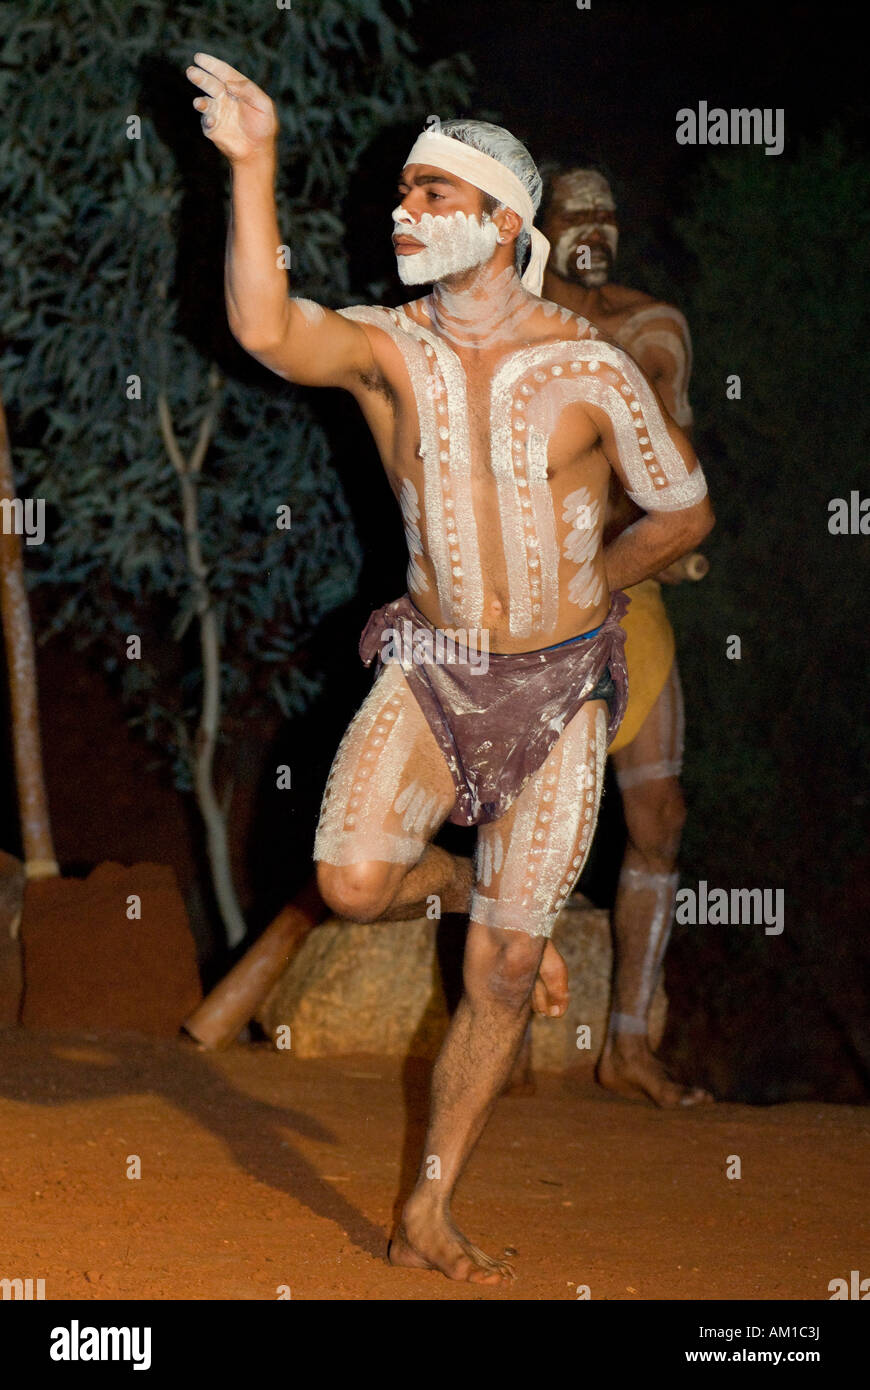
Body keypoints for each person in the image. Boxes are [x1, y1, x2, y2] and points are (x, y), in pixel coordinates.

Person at [186, 54, 714, 1284]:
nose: (404, 212)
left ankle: (427, 1207)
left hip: (561, 689)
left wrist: (599, 584)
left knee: (507, 970)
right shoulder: (387, 351)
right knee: (353, 880)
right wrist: (254, 164)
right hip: (430, 670)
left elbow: (684, 509)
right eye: (403, 196)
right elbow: (264, 326)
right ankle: (477, 893)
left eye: (432, 195)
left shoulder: (591, 368)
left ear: (501, 222)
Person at [538, 166, 712, 1106]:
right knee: (515, 810)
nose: (594, 230)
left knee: (660, 816)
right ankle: (501, 1009)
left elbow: (672, 456)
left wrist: (666, 541)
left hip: (630, 587)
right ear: (543, 226)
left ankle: (630, 1042)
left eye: (608, 213)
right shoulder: (510, 322)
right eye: (576, 216)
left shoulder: (653, 329)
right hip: (532, 601)